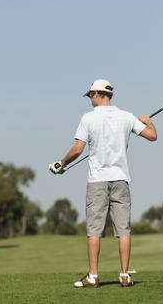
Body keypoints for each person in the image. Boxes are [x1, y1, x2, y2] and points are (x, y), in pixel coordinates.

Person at [49, 79, 157, 288]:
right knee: (123, 229)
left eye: (90, 95)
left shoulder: (88, 118)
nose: (90, 98)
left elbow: (78, 149)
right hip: (121, 179)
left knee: (94, 230)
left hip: (97, 181)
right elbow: (152, 136)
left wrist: (61, 163)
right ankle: (125, 276)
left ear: (98, 94)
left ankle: (93, 277)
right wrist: (147, 121)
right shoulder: (127, 116)